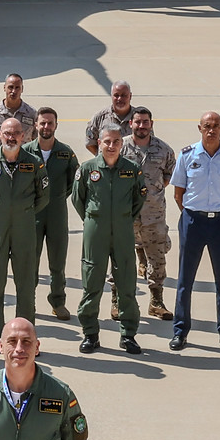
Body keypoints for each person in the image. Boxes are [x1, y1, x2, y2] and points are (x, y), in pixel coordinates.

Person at [0, 116, 49, 356]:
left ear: (23, 136)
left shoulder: (34, 164)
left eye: (16, 133)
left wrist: (23, 212)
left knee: (25, 287)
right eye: (7, 133)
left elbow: (43, 196)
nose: (11, 137)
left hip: (25, 231)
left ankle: (26, 340)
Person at [170, 111, 220, 352]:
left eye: (215, 126)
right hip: (193, 221)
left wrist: (217, 211)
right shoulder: (186, 155)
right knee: (185, 280)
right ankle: (180, 331)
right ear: (199, 128)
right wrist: (196, 213)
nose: (211, 130)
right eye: (207, 126)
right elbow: (178, 193)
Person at [71, 126, 144, 354]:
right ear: (99, 143)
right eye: (106, 142)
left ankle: (128, 334)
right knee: (92, 281)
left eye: (115, 142)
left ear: (121, 144)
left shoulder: (131, 170)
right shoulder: (87, 169)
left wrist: (121, 218)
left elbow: (138, 200)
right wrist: (96, 219)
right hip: (96, 230)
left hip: (122, 231)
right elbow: (77, 198)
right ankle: (91, 334)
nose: (111, 146)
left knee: (126, 283)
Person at [121, 107, 178, 322]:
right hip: (126, 215)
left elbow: (168, 175)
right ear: (131, 124)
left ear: (151, 124)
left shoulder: (164, 150)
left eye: (145, 122)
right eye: (138, 122)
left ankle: (156, 301)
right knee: (120, 259)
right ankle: (118, 301)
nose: (142, 126)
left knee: (158, 259)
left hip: (154, 216)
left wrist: (151, 194)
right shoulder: (121, 147)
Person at [30, 108, 78, 321]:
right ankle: (27, 301)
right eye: (42, 123)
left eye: (50, 123)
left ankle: (58, 302)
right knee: (30, 261)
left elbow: (72, 184)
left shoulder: (66, 154)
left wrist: (55, 198)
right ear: (35, 125)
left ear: (56, 125)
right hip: (32, 214)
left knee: (57, 262)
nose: (46, 127)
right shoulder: (26, 152)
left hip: (58, 213)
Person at [0, 72, 39, 155]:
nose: (13, 91)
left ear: (22, 89)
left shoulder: (31, 114)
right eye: (10, 87)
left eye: (17, 87)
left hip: (23, 162)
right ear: (4, 88)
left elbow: (36, 141)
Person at [83, 80, 134, 153]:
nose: (120, 98)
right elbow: (90, 143)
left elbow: (149, 141)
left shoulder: (140, 119)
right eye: (116, 95)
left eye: (123, 95)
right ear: (111, 96)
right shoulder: (99, 118)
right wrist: (102, 157)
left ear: (130, 96)